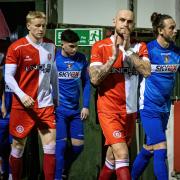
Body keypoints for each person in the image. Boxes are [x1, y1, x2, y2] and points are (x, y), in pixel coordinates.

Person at [89, 9, 151, 180]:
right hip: (108, 111)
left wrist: (128, 50)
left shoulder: (140, 46)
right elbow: (94, 79)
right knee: (123, 154)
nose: (125, 24)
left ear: (134, 25)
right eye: (122, 20)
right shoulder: (100, 46)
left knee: (111, 157)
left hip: (130, 112)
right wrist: (113, 57)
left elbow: (146, 71)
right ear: (114, 21)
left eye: (129, 21)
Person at [4, 11, 58, 180]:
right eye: (37, 25)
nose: (41, 29)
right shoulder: (16, 47)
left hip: (45, 104)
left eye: (44, 25)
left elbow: (53, 73)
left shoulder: (50, 45)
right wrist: (22, 95)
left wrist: (55, 96)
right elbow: (8, 76)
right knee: (18, 148)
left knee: (51, 147)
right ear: (28, 26)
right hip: (23, 106)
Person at [131, 12, 180, 180]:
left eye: (175, 27)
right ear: (160, 30)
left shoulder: (176, 52)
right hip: (149, 107)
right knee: (161, 148)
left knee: (149, 148)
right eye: (171, 28)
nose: (175, 31)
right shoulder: (148, 50)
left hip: (165, 108)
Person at [55, 29, 91, 180]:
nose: (74, 49)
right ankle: (57, 177)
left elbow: (87, 82)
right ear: (62, 44)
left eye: (76, 46)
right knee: (61, 147)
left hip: (76, 110)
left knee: (78, 147)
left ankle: (64, 168)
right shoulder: (54, 59)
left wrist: (86, 105)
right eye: (71, 46)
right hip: (59, 110)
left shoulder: (81, 58)